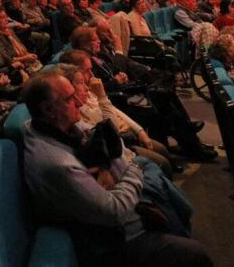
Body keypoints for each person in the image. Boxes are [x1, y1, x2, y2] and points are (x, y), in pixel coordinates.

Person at [20, 71, 212, 266]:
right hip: (112, 241)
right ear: (48, 109)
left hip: (121, 212)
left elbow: (113, 140)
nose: (79, 102)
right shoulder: (57, 163)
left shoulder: (52, 125)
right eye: (70, 98)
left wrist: (106, 165)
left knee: (165, 197)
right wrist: (134, 166)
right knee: (195, 253)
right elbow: (115, 211)